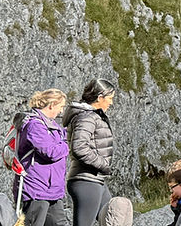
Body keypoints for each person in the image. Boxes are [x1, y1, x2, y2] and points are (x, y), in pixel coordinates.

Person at [64, 79, 116, 226]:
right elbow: (79, 147)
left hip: (94, 180)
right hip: (86, 181)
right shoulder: (87, 117)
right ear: (100, 98)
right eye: (110, 98)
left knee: (113, 219)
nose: (111, 103)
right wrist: (103, 165)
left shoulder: (92, 116)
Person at [15, 89, 70, 226]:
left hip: (52, 190)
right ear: (51, 105)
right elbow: (50, 152)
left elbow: (61, 138)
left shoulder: (50, 125)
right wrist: (67, 144)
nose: (61, 111)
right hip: (36, 189)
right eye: (60, 106)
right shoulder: (34, 125)